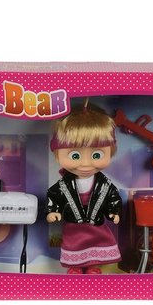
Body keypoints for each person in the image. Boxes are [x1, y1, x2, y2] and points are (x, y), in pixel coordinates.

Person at [46, 101, 122, 274]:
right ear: (57, 155)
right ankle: (75, 266)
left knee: (98, 245)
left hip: (97, 226)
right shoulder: (64, 185)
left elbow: (113, 196)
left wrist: (113, 211)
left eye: (96, 155)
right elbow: (53, 195)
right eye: (75, 155)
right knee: (73, 245)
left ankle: (94, 266)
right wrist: (52, 210)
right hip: (74, 227)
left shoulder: (104, 184)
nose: (86, 163)